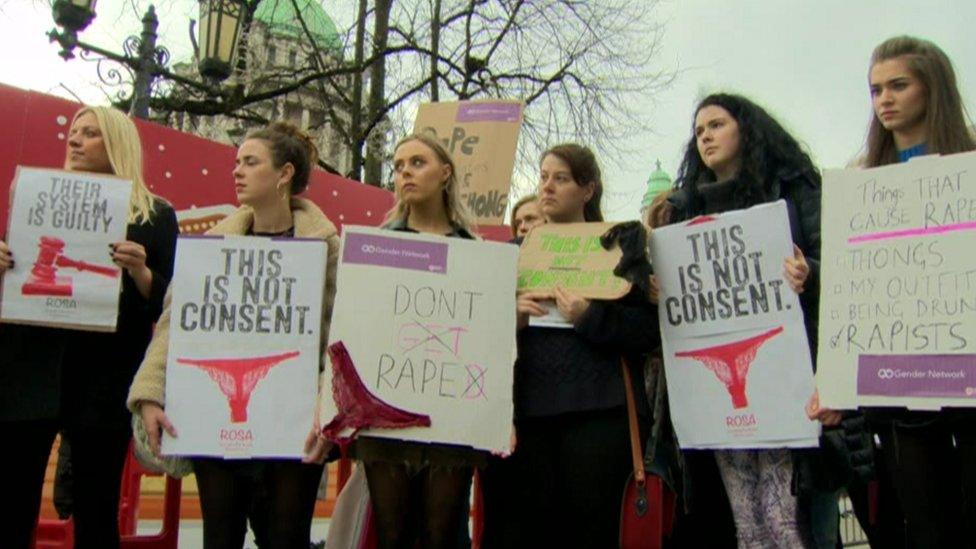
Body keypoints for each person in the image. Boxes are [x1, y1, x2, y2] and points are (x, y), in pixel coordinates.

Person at [127, 121, 338, 549]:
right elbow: (175, 323)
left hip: (294, 424)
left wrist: (326, 405)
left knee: (285, 539)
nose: (237, 171)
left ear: (285, 174)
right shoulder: (213, 246)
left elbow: (338, 338)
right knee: (219, 538)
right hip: (216, 422)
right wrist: (150, 393)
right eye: (236, 162)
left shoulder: (326, 247)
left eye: (250, 162)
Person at [667, 93, 843, 548]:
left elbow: (839, 265)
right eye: (699, 130)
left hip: (793, 376)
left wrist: (811, 272)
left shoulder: (794, 187)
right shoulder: (684, 209)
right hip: (723, 397)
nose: (705, 136)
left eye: (717, 125)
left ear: (746, 128)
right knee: (747, 523)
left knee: (787, 521)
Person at [0, 105, 178, 549]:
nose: (74, 140)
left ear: (117, 143)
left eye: (90, 133)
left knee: (96, 505)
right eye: (74, 132)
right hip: (29, 370)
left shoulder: (154, 215)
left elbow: (171, 302)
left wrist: (141, 274)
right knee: (10, 499)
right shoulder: (37, 197)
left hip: (104, 377)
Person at [484, 143, 659, 548]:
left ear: (588, 190)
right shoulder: (512, 255)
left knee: (591, 531)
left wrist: (590, 317)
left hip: (599, 412)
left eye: (560, 178)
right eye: (543, 177)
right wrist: (510, 318)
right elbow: (475, 334)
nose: (547, 187)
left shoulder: (622, 247)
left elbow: (646, 331)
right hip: (526, 415)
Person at [851, 35, 975, 548]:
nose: (885, 100)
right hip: (900, 390)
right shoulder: (860, 183)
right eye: (876, 89)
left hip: (967, 378)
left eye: (898, 85)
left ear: (933, 85)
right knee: (926, 529)